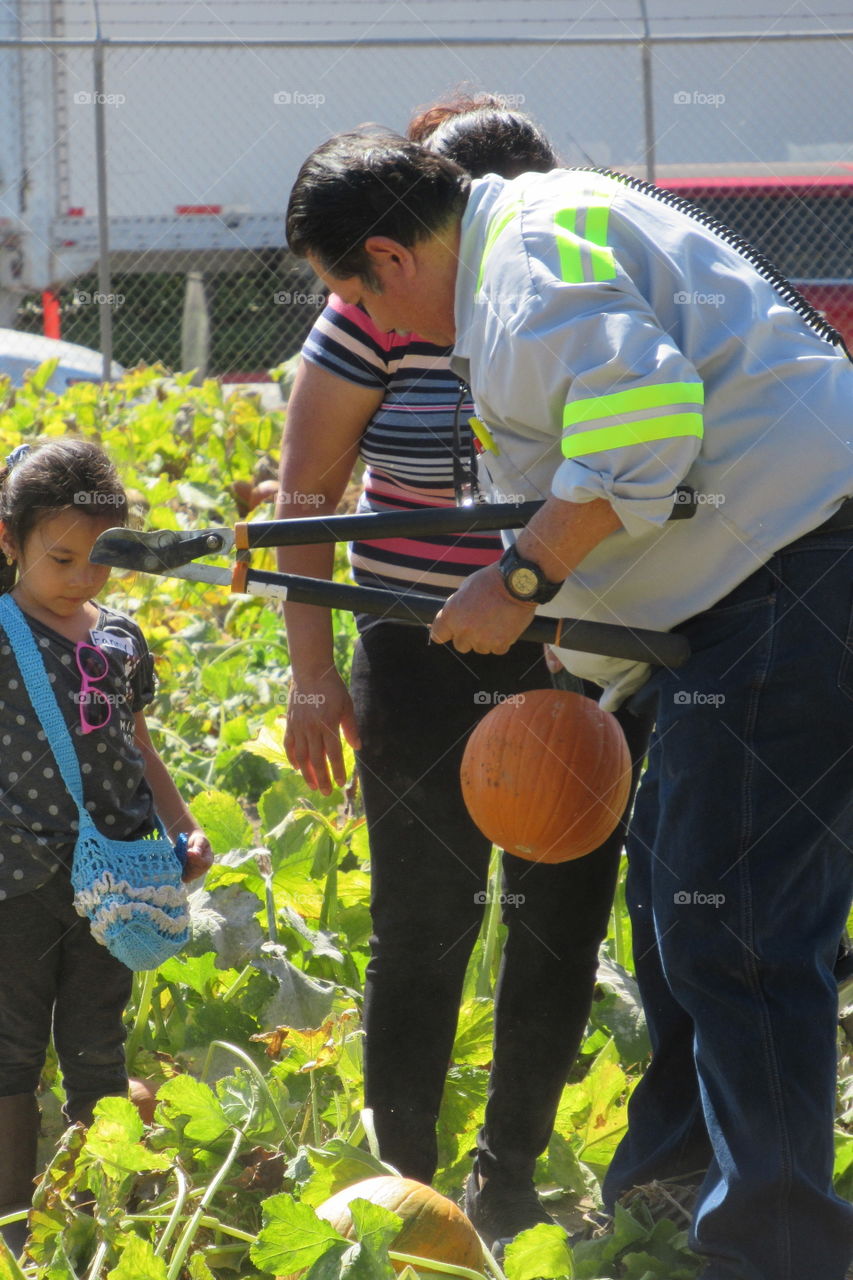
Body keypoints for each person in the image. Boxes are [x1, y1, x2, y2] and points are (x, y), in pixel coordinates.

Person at [285, 135, 853, 1280]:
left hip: (793, 572)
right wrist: (568, 652)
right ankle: (674, 1184)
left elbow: (642, 432)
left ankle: (772, 1250)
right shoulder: (531, 230)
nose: (369, 321)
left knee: (728, 917)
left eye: (355, 293)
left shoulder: (521, 275)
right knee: (680, 891)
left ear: (390, 256)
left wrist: (522, 579)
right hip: (766, 575)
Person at [277, 100, 651, 1251]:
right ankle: (404, 1179)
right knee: (422, 919)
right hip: (416, 644)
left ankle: (508, 1171)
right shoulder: (376, 315)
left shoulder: (566, 298)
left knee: (555, 916)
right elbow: (305, 493)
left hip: (567, 650)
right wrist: (310, 677)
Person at [0, 438, 213, 1257]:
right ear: (9, 541)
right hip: (15, 881)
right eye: (62, 558)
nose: (85, 578)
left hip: (117, 874)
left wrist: (182, 827)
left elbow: (142, 751)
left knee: (96, 1049)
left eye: (103, 560)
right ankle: (13, 1235)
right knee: (10, 1051)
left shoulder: (120, 639)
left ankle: (95, 1224)